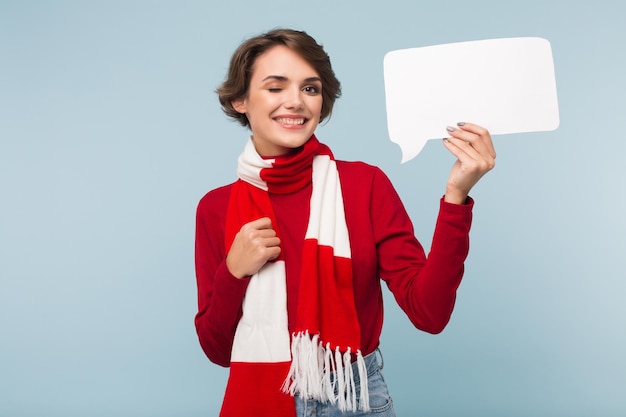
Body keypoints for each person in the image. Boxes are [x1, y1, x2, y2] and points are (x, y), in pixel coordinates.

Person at [194, 28, 496, 417]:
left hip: (353, 398)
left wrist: (456, 197)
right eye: (275, 87)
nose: (296, 102)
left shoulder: (363, 186)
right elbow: (217, 351)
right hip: (262, 397)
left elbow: (429, 313)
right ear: (240, 100)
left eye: (310, 88)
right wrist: (233, 272)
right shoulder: (216, 208)